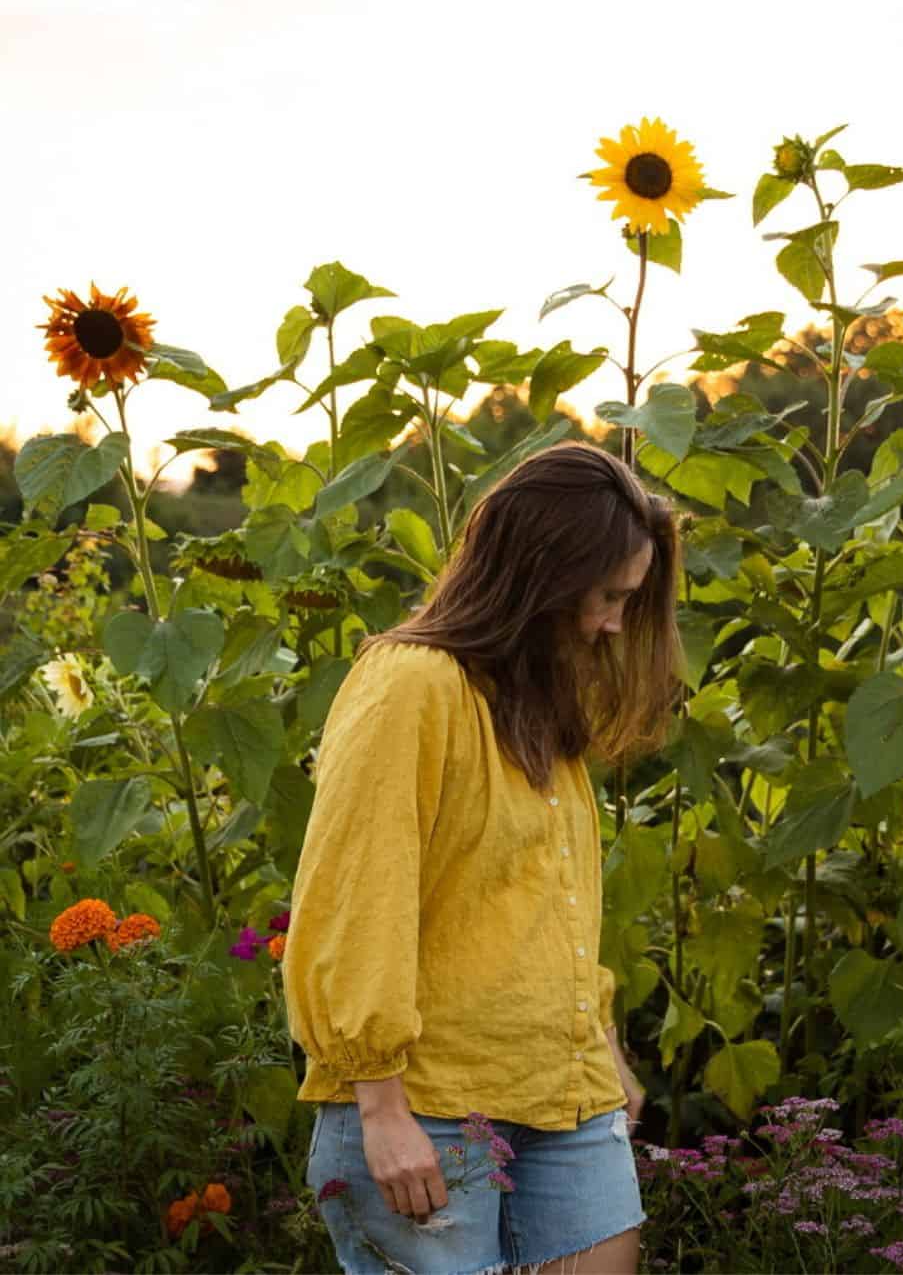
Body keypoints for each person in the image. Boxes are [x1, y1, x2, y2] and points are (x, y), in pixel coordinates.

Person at [284, 440, 683, 1275]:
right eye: (607, 596)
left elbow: (545, 904)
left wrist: (599, 1047)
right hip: (422, 1103)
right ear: (543, 571)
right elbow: (360, 894)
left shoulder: (541, 710)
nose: (614, 622)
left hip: (563, 1093)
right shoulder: (411, 684)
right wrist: (380, 1106)